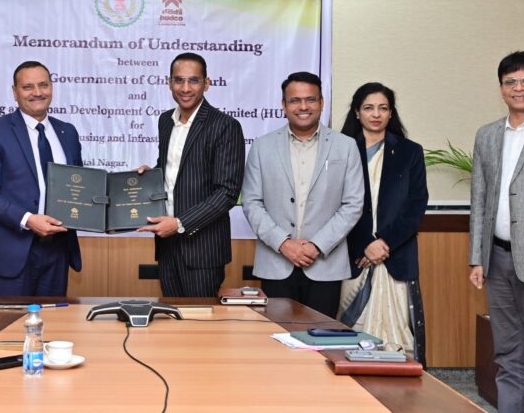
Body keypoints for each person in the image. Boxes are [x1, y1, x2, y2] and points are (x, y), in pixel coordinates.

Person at [241, 71, 362, 318]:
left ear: (322, 103)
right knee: (277, 336)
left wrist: (317, 245)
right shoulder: (262, 146)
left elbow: (353, 204)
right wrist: (283, 244)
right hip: (276, 263)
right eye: (295, 100)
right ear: (284, 105)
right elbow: (252, 203)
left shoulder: (346, 146)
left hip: (325, 265)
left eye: (310, 99)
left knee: (321, 336)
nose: (303, 107)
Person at [470, 51, 524, 413]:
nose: (519, 88)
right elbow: (479, 201)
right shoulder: (487, 135)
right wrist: (477, 259)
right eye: (510, 82)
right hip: (497, 261)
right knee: (507, 354)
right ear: (501, 88)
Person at [0, 61, 83, 296]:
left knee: (53, 318)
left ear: (52, 87)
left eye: (43, 85)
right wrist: (29, 220)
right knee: (11, 319)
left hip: (58, 249)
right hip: (12, 250)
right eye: (28, 87)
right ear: (15, 92)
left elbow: (80, 186)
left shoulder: (68, 132)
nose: (37, 92)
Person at [138, 52, 244, 297]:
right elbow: (172, 170)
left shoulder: (225, 126)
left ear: (207, 83)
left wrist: (179, 224)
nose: (185, 88)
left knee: (201, 318)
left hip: (202, 250)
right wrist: (148, 176)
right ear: (169, 83)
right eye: (179, 80)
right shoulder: (166, 121)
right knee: (171, 317)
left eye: (193, 80)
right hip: (167, 245)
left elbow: (227, 193)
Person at [337, 82, 428, 365]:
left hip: (395, 254)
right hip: (354, 255)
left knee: (398, 341)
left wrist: (384, 243)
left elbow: (415, 205)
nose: (376, 114)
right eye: (368, 108)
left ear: (391, 113)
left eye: (383, 108)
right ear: (357, 112)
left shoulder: (410, 152)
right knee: (349, 339)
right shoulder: (341, 150)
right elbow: (334, 205)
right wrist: (365, 244)